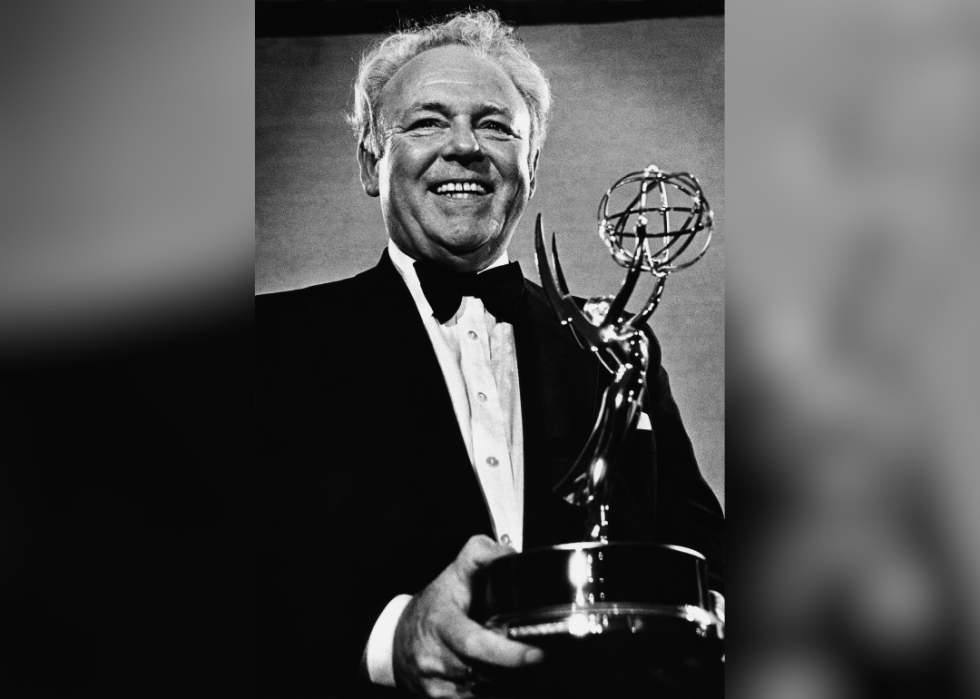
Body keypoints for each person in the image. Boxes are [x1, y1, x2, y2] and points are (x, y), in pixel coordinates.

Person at [256, 10, 724, 699]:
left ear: (529, 164)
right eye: (426, 122)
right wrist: (393, 639)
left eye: (496, 125)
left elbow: (706, 562)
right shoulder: (270, 346)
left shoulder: (617, 347)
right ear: (369, 162)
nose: (464, 147)